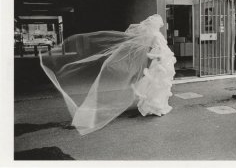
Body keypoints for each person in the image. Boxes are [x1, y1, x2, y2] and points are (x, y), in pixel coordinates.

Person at [40, 14, 176, 135]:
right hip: (160, 62)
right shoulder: (156, 35)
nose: (160, 24)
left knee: (154, 85)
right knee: (157, 85)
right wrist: (160, 59)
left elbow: (153, 49)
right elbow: (160, 50)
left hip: (158, 62)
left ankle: (153, 106)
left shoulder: (151, 35)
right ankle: (157, 106)